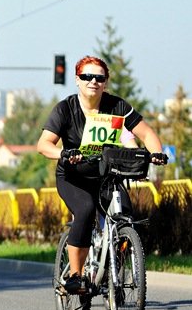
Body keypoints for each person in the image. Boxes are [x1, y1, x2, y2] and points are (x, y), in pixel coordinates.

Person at [37, 55, 167, 294]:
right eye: (87, 76)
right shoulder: (65, 109)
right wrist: (64, 154)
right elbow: (44, 144)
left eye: (99, 77)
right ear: (77, 80)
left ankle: (112, 271)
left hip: (107, 176)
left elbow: (147, 134)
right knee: (85, 210)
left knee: (124, 215)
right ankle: (75, 276)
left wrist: (156, 152)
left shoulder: (118, 106)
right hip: (73, 177)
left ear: (105, 82)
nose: (93, 81)